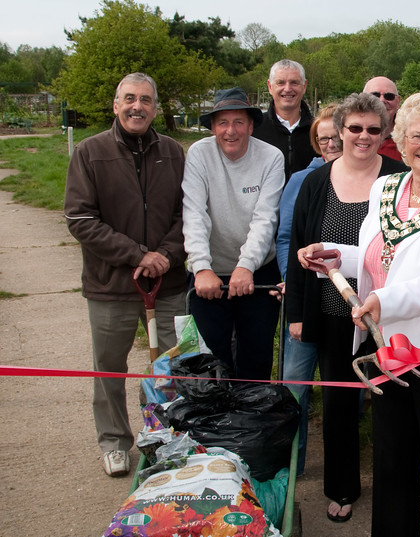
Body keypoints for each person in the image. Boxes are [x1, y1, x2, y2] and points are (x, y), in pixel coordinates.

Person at [296, 91, 420, 537]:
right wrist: (331, 253)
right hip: (388, 346)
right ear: (399, 141)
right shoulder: (386, 188)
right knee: (392, 452)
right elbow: (375, 255)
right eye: (416, 136)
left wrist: (382, 300)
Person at [285, 93, 407, 524]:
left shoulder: (400, 179)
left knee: (392, 402)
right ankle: (341, 486)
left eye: (374, 129)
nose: (364, 136)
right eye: (355, 128)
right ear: (339, 130)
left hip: (387, 314)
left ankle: (395, 488)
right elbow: (300, 249)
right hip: (332, 316)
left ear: (385, 133)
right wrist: (296, 315)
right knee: (338, 407)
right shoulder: (316, 183)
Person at [64, 72, 187, 477]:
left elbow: (186, 213)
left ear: (155, 107)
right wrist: (137, 255)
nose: (138, 106)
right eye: (130, 99)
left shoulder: (172, 151)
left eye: (146, 100)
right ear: (116, 105)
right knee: (109, 367)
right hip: (111, 285)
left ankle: (167, 434)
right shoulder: (90, 151)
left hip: (166, 283)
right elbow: (81, 218)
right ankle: (115, 441)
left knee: (170, 364)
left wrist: (165, 255)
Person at [181, 87, 285, 381]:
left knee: (256, 355)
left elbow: (265, 218)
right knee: (211, 360)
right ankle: (215, 423)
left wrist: (245, 266)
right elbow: (194, 212)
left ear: (251, 125)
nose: (231, 131)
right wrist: (201, 266)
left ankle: (252, 421)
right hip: (210, 271)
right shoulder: (199, 154)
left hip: (258, 271)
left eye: (239, 122)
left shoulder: (271, 157)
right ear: (213, 127)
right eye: (223, 123)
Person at [274, 103, 341, 475]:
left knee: (340, 390)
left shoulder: (364, 178)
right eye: (323, 137)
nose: (330, 143)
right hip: (305, 296)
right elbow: (285, 237)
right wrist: (292, 277)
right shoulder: (302, 180)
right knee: (295, 385)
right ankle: (292, 464)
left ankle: (339, 463)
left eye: (336, 136)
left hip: (345, 298)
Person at [252, 59, 317, 180]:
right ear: (270, 86)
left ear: (304, 86)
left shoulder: (319, 130)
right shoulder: (254, 129)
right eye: (280, 83)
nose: (287, 89)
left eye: (294, 83)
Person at [363, 76, 402, 161]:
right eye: (374, 95)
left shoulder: (408, 138)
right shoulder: (349, 137)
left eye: (389, 96)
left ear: (398, 101)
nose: (381, 100)